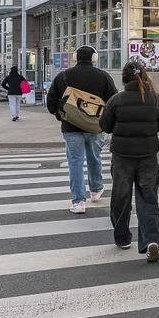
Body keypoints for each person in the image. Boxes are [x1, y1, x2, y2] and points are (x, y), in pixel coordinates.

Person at [101, 61, 159, 262]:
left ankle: (122, 237)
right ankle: (151, 240)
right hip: (148, 155)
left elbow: (105, 125)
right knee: (148, 198)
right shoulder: (156, 99)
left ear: (124, 79)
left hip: (122, 156)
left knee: (120, 196)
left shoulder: (116, 100)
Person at [46, 45, 117, 213]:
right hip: (95, 126)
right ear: (94, 58)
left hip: (70, 126)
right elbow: (113, 101)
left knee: (75, 162)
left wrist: (61, 115)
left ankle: (78, 201)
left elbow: (51, 102)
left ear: (75, 57)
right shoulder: (103, 76)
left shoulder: (63, 76)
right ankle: (96, 189)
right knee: (94, 157)